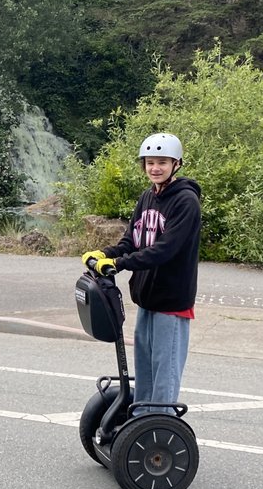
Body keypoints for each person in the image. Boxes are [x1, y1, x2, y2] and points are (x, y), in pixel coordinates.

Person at [82, 132, 201, 417]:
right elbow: (131, 241)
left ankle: (160, 427)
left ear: (177, 164)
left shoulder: (185, 202)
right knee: (145, 369)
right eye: (150, 162)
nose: (155, 168)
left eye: (162, 162)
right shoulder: (148, 196)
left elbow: (164, 250)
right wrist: (104, 254)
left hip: (172, 301)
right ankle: (140, 422)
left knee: (165, 372)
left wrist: (119, 264)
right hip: (146, 298)